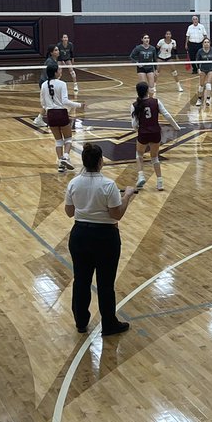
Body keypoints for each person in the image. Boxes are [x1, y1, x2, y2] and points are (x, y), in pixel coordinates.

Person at [63, 143, 137, 335]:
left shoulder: (74, 183)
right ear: (100, 161)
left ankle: (81, 322)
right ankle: (109, 324)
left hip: (79, 235)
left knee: (81, 280)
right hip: (105, 237)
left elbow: (69, 212)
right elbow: (116, 214)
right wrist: (127, 196)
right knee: (105, 284)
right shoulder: (108, 185)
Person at [131, 81, 180, 191]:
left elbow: (134, 124)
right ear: (147, 90)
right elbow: (167, 115)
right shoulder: (156, 102)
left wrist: (137, 130)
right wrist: (176, 127)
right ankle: (160, 182)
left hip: (143, 133)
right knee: (155, 157)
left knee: (139, 154)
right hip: (156, 133)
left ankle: (141, 176)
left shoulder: (134, 105)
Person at [41, 62, 82, 172]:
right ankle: (66, 157)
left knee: (58, 141)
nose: (61, 71)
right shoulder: (62, 84)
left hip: (50, 115)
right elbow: (65, 101)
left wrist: (49, 106)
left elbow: (43, 103)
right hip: (61, 113)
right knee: (68, 138)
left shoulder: (44, 85)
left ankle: (60, 164)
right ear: (55, 72)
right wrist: (79, 105)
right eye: (59, 69)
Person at [33, 44, 61, 127]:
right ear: (51, 53)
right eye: (56, 50)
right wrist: (51, 83)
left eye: (58, 50)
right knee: (49, 102)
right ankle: (41, 119)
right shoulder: (49, 61)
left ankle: (39, 119)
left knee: (49, 102)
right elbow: (47, 74)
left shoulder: (54, 60)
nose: (58, 51)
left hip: (48, 83)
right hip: (45, 83)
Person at [194, 37, 212, 107]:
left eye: (208, 42)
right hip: (203, 69)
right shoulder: (200, 51)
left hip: (211, 68)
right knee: (201, 85)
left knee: (208, 84)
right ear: (203, 44)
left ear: (210, 43)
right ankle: (199, 99)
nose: (206, 44)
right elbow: (197, 61)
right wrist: (198, 69)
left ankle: (208, 99)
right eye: (205, 42)